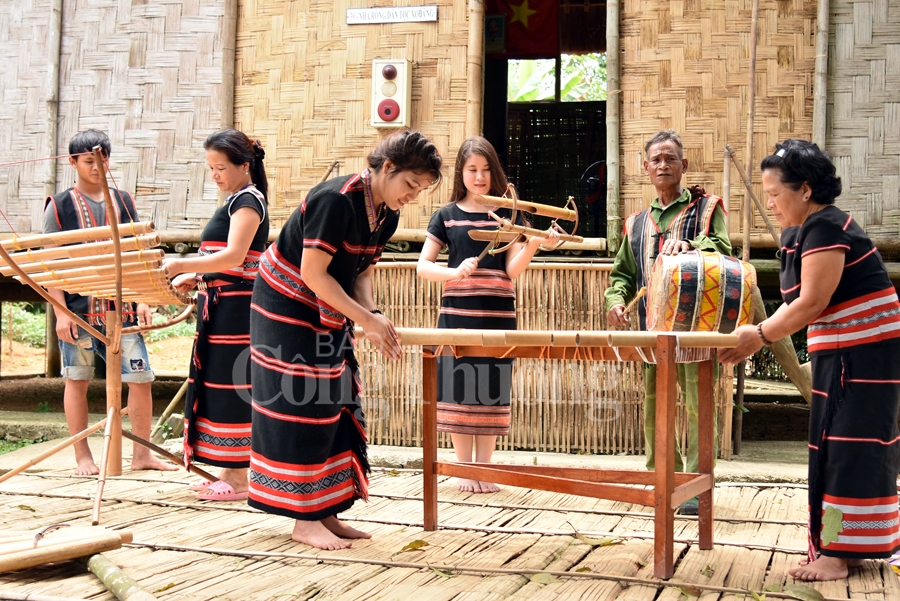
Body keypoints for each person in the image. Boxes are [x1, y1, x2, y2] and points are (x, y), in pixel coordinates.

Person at [248, 130, 442, 549]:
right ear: (387, 168)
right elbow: (313, 274)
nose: (412, 196)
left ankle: (327, 511)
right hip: (285, 305)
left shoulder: (386, 214)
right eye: (410, 185)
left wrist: (370, 315)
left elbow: (361, 272)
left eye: (420, 190)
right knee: (301, 404)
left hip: (328, 305)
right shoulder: (334, 200)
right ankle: (303, 518)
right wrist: (365, 321)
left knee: (334, 401)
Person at [718, 139, 900, 581]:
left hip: (863, 356)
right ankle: (845, 547)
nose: (771, 204)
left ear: (804, 190)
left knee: (850, 449)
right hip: (842, 355)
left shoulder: (826, 228)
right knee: (838, 446)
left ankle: (838, 553)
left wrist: (757, 336)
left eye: (775, 194)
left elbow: (812, 301)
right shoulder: (802, 232)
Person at [417, 136, 558, 494]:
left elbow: (511, 270)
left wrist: (536, 243)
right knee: (460, 386)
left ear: (495, 172)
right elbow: (423, 267)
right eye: (471, 170)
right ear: (461, 173)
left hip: (498, 315)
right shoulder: (445, 216)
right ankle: (464, 469)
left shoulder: (510, 215)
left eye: (485, 170)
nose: (479, 177)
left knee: (492, 386)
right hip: (456, 315)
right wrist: (454, 272)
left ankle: (485, 468)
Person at [604, 129, 730, 514]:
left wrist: (691, 244)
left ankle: (695, 485)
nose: (663, 165)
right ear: (646, 168)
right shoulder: (636, 223)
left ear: (684, 165)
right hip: (651, 328)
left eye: (670, 158)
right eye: (656, 160)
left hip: (696, 327)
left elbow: (724, 249)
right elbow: (622, 275)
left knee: (697, 404)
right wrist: (616, 301)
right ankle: (663, 477)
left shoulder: (707, 210)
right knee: (655, 405)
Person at [43, 129, 177, 475]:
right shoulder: (58, 206)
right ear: (73, 162)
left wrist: (144, 299)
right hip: (79, 311)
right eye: (88, 161)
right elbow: (49, 266)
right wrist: (60, 313)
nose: (96, 167)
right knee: (78, 379)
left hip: (124, 308)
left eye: (102, 160)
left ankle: (142, 455)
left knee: (141, 379)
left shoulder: (123, 201)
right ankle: (83, 457)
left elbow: (139, 253)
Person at [163, 129, 270, 501]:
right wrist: (196, 276)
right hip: (220, 306)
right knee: (221, 386)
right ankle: (229, 471)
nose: (215, 176)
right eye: (211, 169)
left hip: (236, 311)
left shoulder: (248, 201)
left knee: (233, 388)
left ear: (245, 165)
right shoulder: (236, 200)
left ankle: (240, 479)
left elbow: (235, 257)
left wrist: (181, 262)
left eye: (221, 168)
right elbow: (224, 262)